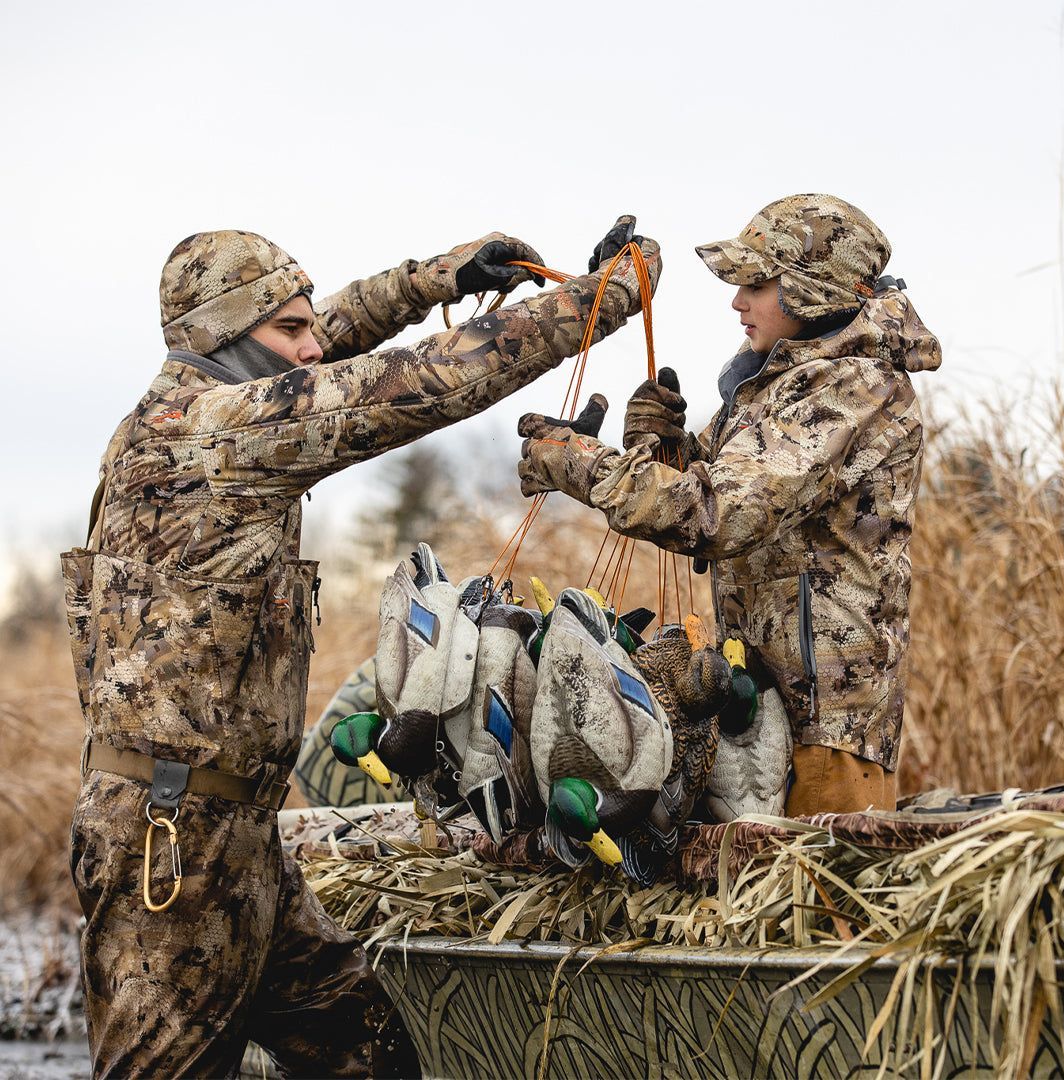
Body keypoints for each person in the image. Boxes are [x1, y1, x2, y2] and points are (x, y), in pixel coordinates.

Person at [62, 218, 660, 1078]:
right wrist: (602, 300)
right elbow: (422, 382)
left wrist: (441, 279)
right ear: (226, 339)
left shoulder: (206, 398)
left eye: (308, 326)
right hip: (174, 849)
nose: (315, 346)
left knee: (370, 1054)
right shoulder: (217, 431)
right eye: (290, 330)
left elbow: (330, 335)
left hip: (240, 838)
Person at [516, 194, 941, 817]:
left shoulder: (857, 388)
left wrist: (578, 463)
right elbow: (713, 484)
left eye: (757, 285)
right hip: (751, 708)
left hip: (825, 733)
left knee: (817, 883)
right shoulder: (778, 384)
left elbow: (719, 515)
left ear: (811, 292)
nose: (737, 301)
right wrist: (663, 449)